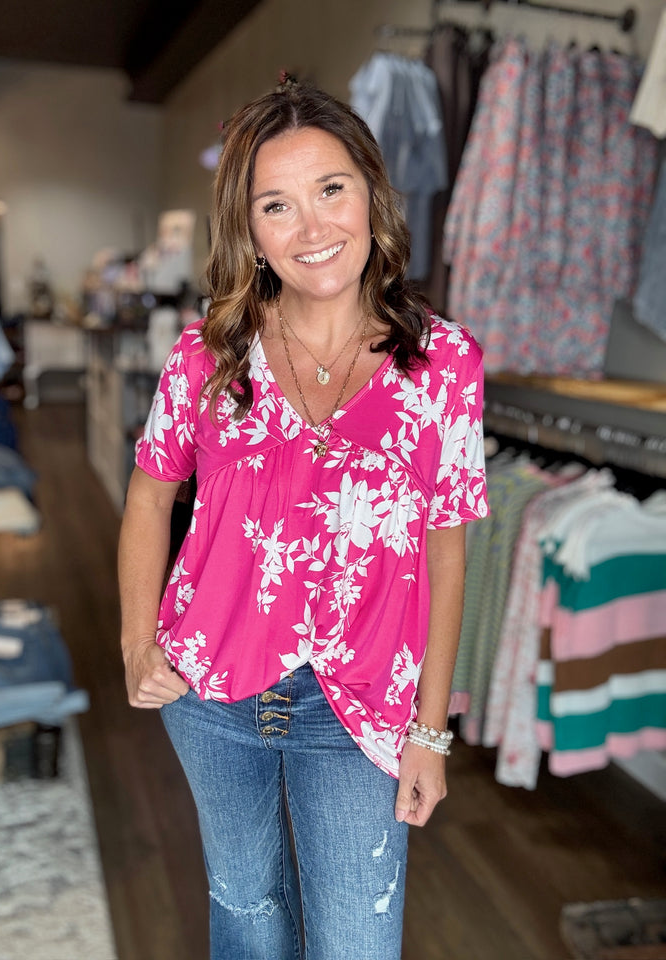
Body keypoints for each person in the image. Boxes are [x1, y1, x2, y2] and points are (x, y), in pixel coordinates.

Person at [118, 80, 488, 960]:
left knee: (357, 941)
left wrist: (431, 733)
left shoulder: (443, 365)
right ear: (249, 229)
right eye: (276, 205)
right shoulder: (206, 356)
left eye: (330, 189)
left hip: (360, 704)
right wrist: (138, 642)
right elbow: (147, 495)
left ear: (370, 193)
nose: (313, 228)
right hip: (209, 690)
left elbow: (448, 551)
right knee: (246, 912)